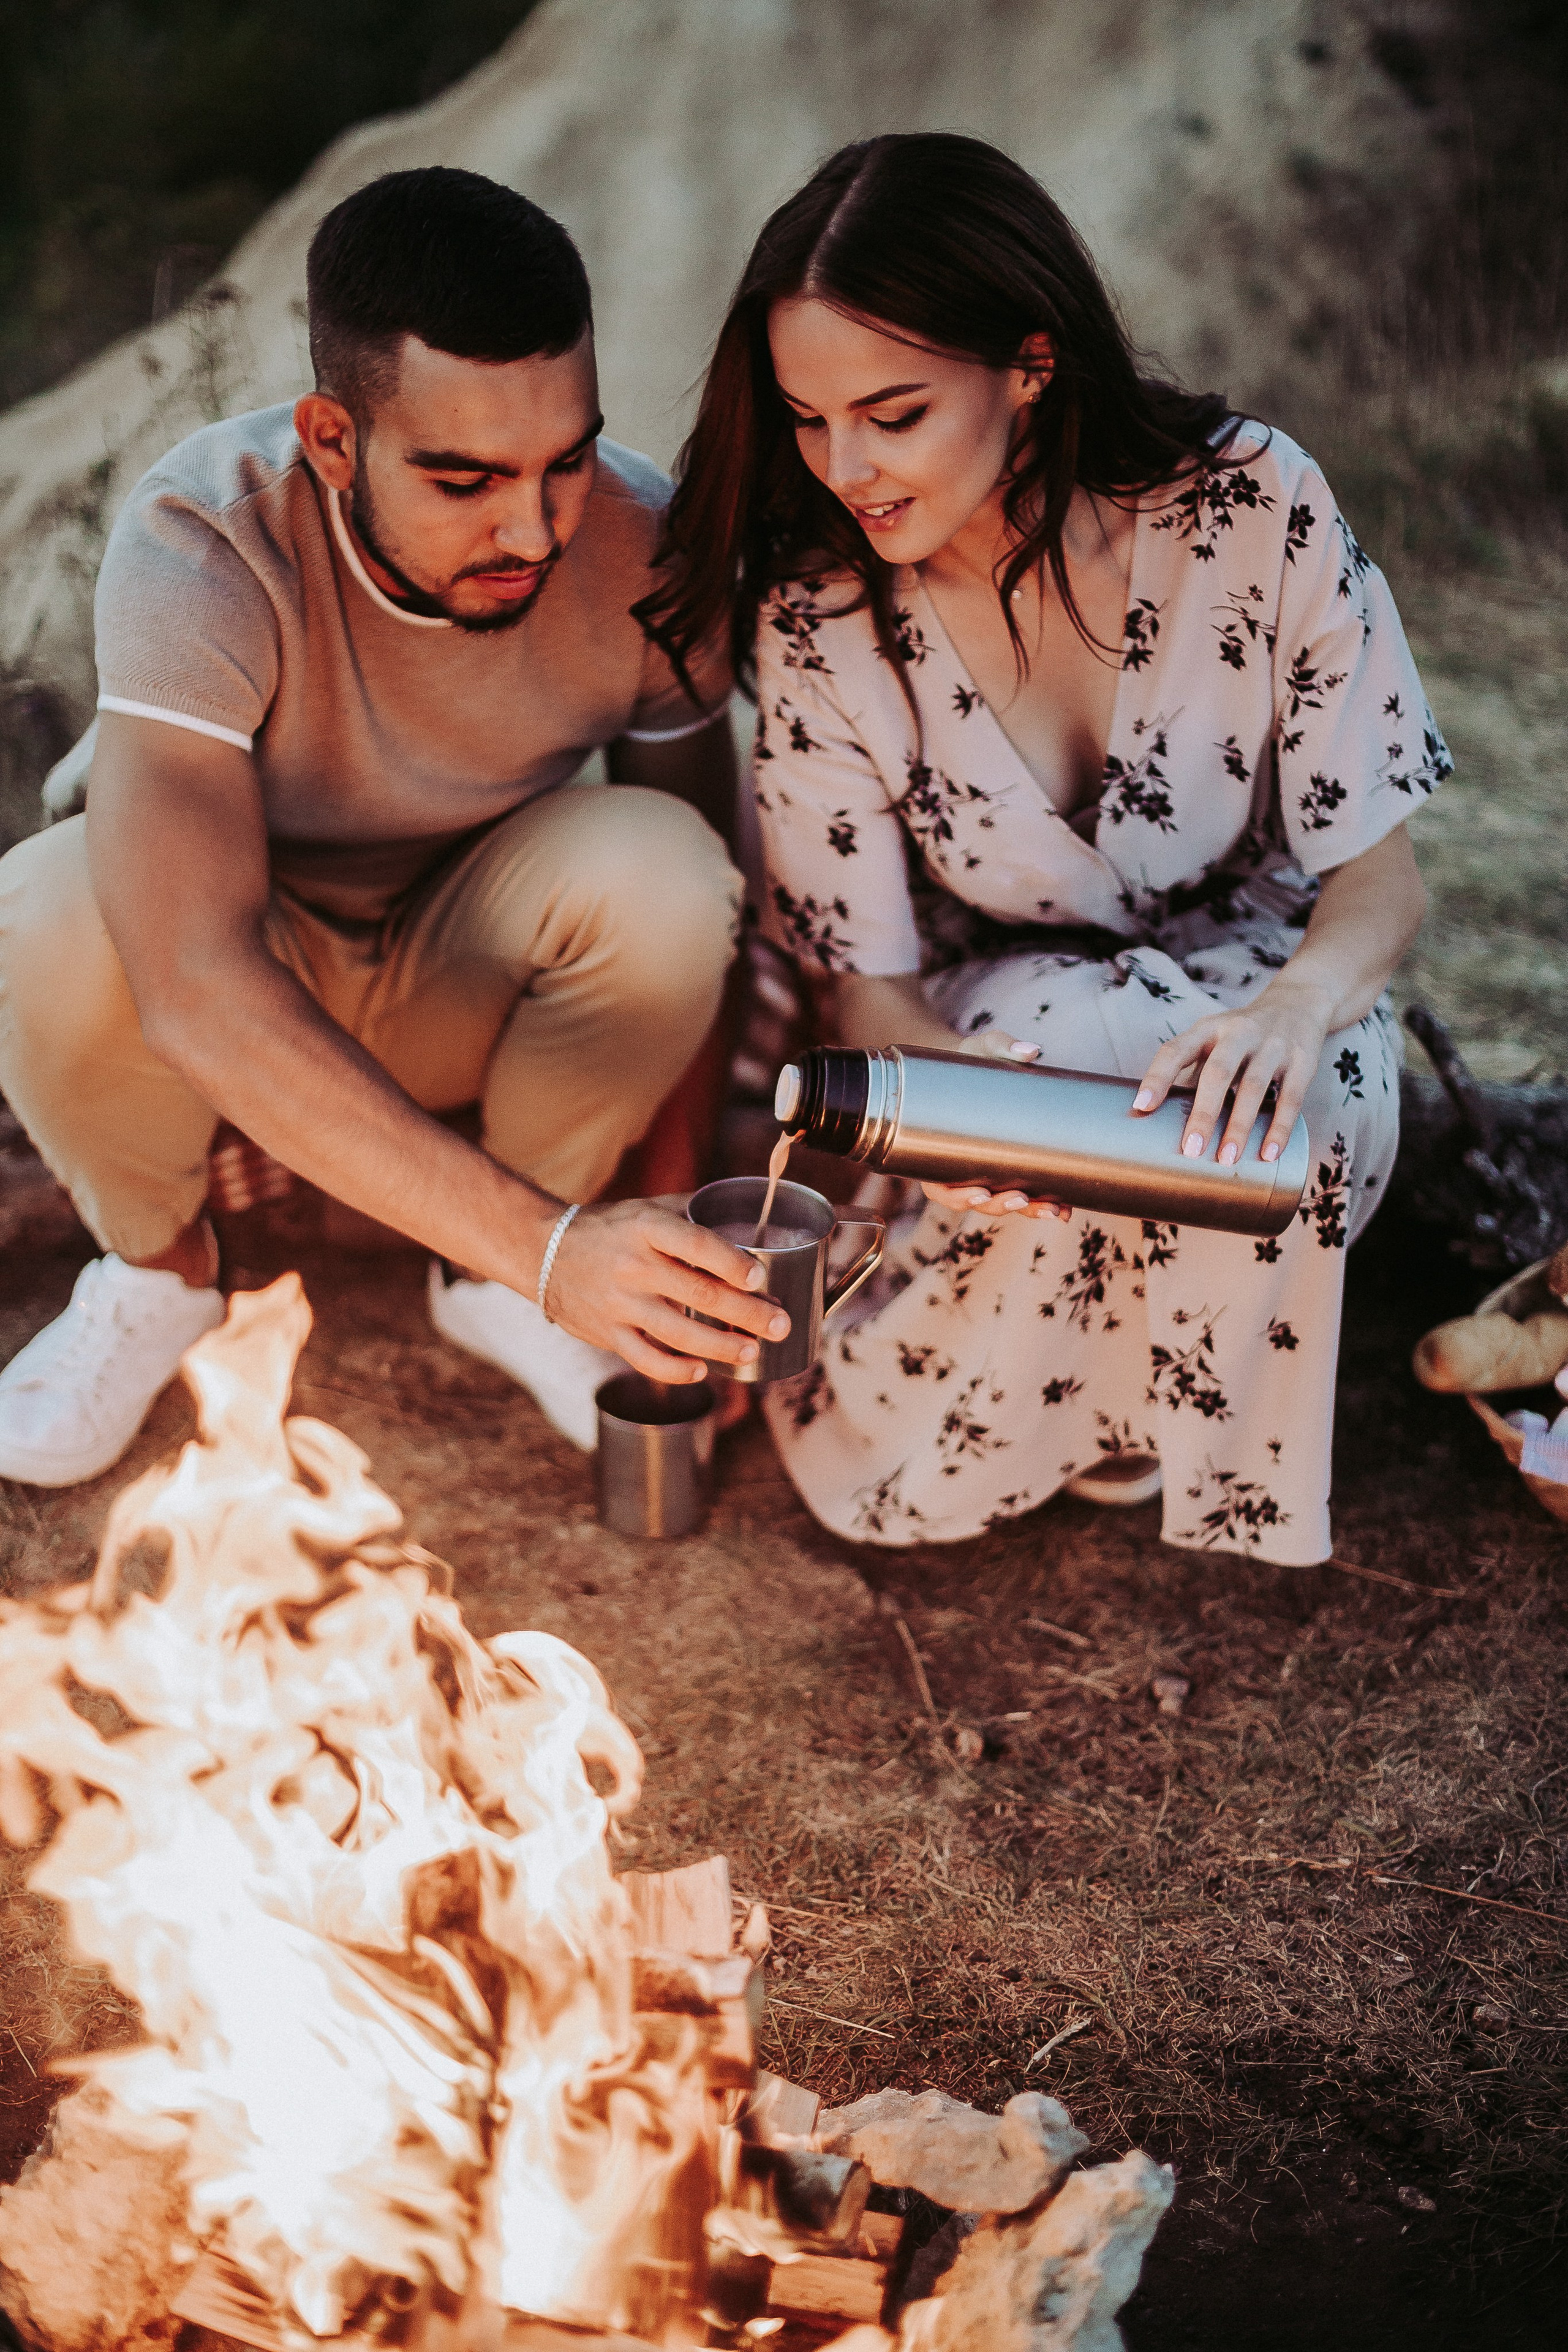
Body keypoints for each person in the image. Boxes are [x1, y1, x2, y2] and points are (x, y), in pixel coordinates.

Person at [638, 133, 1449, 1567]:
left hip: (1260, 968)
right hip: (993, 1006)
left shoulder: (1254, 505)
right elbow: (862, 989)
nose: (844, 468)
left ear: (1029, 363)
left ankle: (1158, 1417)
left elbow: (1377, 885)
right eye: (808, 420)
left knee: (1302, 1095)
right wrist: (952, 1117)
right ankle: (1042, 1409)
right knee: (1077, 1069)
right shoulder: (818, 611)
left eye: (890, 413)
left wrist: (1294, 1007)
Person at [0, 167, 787, 1486]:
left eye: (564, 459)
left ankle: (490, 1285)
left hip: (462, 978)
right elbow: (193, 986)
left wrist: (646, 1245)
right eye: (464, 477)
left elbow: (699, 920)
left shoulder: (643, 546)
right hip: (216, 987)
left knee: (668, 873)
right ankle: (156, 1272)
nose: (532, 528)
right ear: (329, 438)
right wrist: (546, 1244)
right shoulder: (203, 544)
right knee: (39, 906)